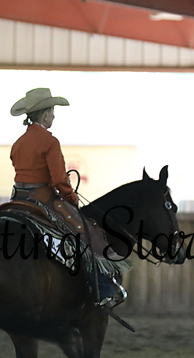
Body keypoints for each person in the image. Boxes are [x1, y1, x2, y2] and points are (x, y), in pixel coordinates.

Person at [9, 87, 125, 309]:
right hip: (43, 199)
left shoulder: (18, 143)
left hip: (17, 199)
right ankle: (103, 289)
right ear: (45, 115)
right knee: (85, 232)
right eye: (52, 112)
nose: (53, 117)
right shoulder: (49, 141)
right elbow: (59, 179)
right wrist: (70, 196)